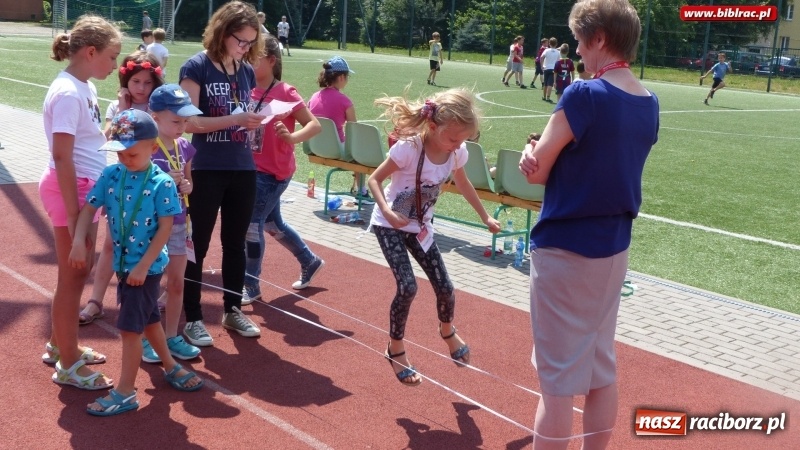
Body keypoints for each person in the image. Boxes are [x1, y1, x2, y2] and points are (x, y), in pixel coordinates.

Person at [518, 0, 659, 448]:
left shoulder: (584, 93)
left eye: (580, 39)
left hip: (566, 248)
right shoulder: (649, 101)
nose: (576, 50)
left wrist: (530, 153)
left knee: (557, 380)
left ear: (599, 38)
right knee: (600, 368)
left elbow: (537, 170)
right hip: (615, 248)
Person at [70, 109, 204, 416]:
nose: (124, 160)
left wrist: (143, 266)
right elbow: (90, 207)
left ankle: (125, 392)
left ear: (152, 148)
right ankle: (171, 366)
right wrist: (79, 239)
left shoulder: (161, 183)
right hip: (123, 266)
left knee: (130, 331)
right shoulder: (111, 174)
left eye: (131, 154)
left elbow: (166, 228)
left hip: (146, 269)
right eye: (118, 154)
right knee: (148, 320)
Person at [367, 88, 501, 386]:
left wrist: (485, 217)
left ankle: (447, 330)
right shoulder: (408, 149)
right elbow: (373, 179)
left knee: (445, 287)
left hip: (420, 227)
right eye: (454, 138)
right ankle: (396, 347)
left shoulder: (457, 153)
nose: (458, 145)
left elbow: (464, 184)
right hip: (389, 225)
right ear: (432, 127)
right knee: (408, 287)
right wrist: (387, 212)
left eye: (464, 139)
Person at [41, 14, 120, 392]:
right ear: (91, 52)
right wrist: (76, 218)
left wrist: (109, 132)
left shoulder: (82, 86)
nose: (115, 65)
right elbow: (61, 156)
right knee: (73, 277)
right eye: (112, 56)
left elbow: (83, 141)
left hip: (85, 190)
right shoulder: (70, 92)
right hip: (73, 191)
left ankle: (61, 344)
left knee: (73, 274)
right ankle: (68, 364)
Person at [178, 1, 265, 347]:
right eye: (240, 40)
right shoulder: (196, 65)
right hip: (206, 166)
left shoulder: (244, 69)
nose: (245, 48)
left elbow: (241, 114)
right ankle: (193, 317)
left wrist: (255, 124)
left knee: (235, 243)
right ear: (222, 32)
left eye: (250, 42)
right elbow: (189, 122)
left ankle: (231, 308)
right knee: (196, 244)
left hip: (242, 166)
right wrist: (236, 120)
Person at [78, 50, 164, 326]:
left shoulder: (160, 107)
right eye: (136, 81)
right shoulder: (117, 109)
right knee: (111, 242)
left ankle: (155, 295)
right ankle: (95, 300)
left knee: (158, 239)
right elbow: (105, 138)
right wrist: (123, 110)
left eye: (147, 82)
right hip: (124, 185)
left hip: (153, 184)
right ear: (125, 81)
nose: (141, 88)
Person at [243, 35, 324, 303]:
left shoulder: (285, 91)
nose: (248, 59)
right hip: (248, 169)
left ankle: (250, 285)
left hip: (273, 173)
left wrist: (291, 138)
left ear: (271, 61)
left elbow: (314, 125)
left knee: (251, 227)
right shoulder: (244, 86)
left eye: (254, 55)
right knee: (271, 223)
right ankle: (309, 260)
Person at [140, 84, 204, 362]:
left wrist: (188, 186)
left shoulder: (184, 147)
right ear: (155, 118)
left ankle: (171, 336)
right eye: (176, 121)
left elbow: (190, 183)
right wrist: (165, 183)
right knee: (149, 283)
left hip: (179, 223)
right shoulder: (145, 149)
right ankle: (145, 339)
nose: (182, 127)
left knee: (177, 283)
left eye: (185, 121)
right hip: (152, 226)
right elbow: (138, 187)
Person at [308, 56, 373, 203]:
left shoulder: (313, 97)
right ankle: (361, 189)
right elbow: (354, 131)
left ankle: (357, 186)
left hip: (315, 147)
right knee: (360, 148)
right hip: (337, 150)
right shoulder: (345, 101)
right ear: (342, 77)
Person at [540, 37, 560, 102]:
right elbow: (559, 61)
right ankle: (548, 97)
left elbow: (541, 57)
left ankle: (544, 96)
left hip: (546, 68)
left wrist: (542, 65)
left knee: (545, 83)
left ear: (549, 43)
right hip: (553, 69)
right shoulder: (558, 52)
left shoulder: (546, 50)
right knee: (550, 84)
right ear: (556, 44)